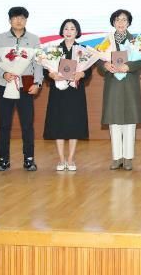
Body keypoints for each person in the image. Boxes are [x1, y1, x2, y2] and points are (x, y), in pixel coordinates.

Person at [0, 6, 43, 172]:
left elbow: (38, 63)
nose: (19, 21)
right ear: (9, 20)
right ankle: (3, 159)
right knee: (4, 124)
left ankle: (29, 159)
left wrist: (37, 83)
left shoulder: (33, 39)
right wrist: (3, 74)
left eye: (22, 18)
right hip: (5, 85)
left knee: (27, 124)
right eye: (15, 18)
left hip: (26, 86)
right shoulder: (0, 38)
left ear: (26, 20)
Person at [98, 9, 141, 171]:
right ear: (113, 22)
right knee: (114, 122)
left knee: (130, 122)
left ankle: (128, 158)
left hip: (130, 83)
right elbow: (98, 59)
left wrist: (129, 66)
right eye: (117, 20)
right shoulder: (107, 41)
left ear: (129, 23)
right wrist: (105, 65)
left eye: (124, 20)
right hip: (113, 84)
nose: (120, 23)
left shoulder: (136, 41)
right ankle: (116, 157)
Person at [43, 19, 90, 172]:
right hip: (58, 92)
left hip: (75, 92)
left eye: (72, 28)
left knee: (74, 123)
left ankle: (70, 159)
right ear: (62, 31)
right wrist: (51, 74)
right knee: (59, 123)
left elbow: (88, 70)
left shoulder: (83, 50)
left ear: (77, 32)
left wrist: (82, 73)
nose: (69, 31)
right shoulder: (54, 50)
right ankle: (61, 159)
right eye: (66, 28)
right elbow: (45, 70)